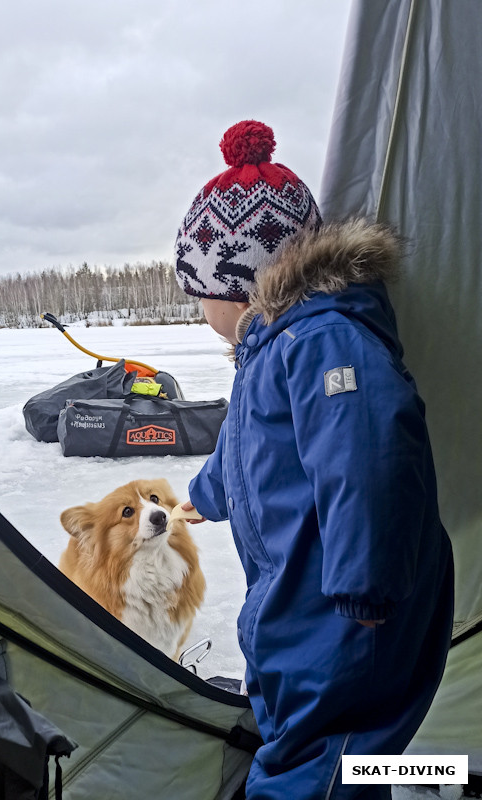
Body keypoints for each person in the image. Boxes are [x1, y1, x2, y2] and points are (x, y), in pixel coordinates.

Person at [174, 120, 454, 799]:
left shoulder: (323, 342)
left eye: (199, 288)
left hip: (347, 605)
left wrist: (366, 580)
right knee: (316, 740)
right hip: (302, 599)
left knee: (320, 757)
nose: (198, 305)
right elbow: (253, 447)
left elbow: (372, 457)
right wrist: (208, 492)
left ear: (238, 279)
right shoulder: (269, 350)